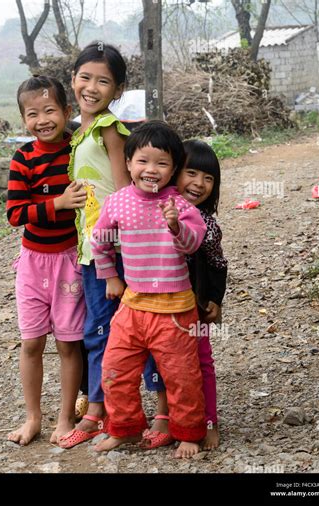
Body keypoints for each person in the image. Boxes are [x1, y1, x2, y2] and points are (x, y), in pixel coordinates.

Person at [91, 121, 208, 459]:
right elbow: (99, 243)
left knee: (182, 376)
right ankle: (123, 428)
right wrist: (111, 277)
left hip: (175, 311)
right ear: (128, 163)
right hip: (133, 306)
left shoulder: (181, 206)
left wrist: (174, 225)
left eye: (162, 163)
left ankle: (188, 433)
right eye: (143, 161)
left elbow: (193, 243)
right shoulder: (116, 203)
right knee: (115, 370)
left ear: (173, 170)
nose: (151, 170)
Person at [6, 75, 88, 446]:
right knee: (32, 342)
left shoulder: (78, 150)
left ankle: (66, 416)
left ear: (67, 111)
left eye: (50, 110)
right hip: (33, 263)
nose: (42, 119)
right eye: (32, 113)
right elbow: (15, 213)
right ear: (24, 118)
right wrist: (56, 204)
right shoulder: (23, 159)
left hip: (70, 261)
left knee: (69, 344)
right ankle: (33, 417)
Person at [58, 42, 132, 449]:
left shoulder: (108, 128)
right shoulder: (80, 130)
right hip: (89, 248)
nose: (91, 86)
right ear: (73, 79)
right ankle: (104, 404)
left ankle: (101, 410)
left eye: (103, 81)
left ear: (117, 90)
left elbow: (123, 188)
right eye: (85, 77)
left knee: (102, 329)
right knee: (97, 328)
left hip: (110, 248)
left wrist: (123, 244)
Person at [142, 139, 228, 451]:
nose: (199, 184)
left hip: (194, 306)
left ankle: (208, 421)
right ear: (175, 172)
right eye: (191, 173)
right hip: (157, 304)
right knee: (161, 361)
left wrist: (215, 300)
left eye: (208, 178)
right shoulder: (152, 210)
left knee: (201, 361)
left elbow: (218, 263)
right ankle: (170, 416)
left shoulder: (207, 225)